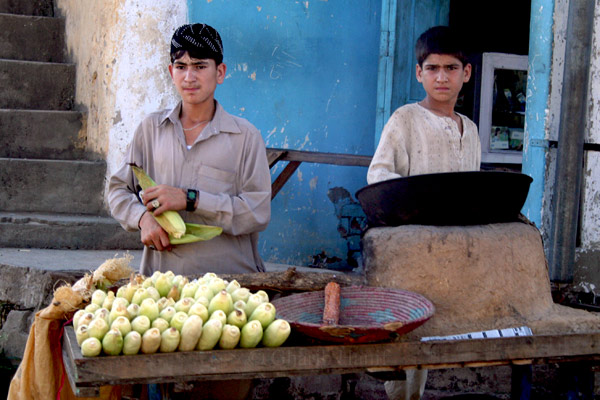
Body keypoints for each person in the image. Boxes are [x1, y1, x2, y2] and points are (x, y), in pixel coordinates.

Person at [366, 26, 481, 400]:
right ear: (419, 73)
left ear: (467, 73)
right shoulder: (405, 120)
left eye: (451, 68)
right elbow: (379, 176)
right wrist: (414, 209)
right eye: (432, 68)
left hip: (452, 252)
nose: (441, 77)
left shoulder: (472, 129)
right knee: (404, 336)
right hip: (411, 250)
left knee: (430, 339)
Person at [108, 23, 271, 278]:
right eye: (181, 67)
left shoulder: (245, 137)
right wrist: (142, 219)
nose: (189, 77)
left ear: (220, 72)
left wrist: (191, 199)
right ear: (171, 72)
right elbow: (117, 190)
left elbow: (257, 213)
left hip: (230, 290)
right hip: (161, 288)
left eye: (199, 66)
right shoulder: (151, 129)